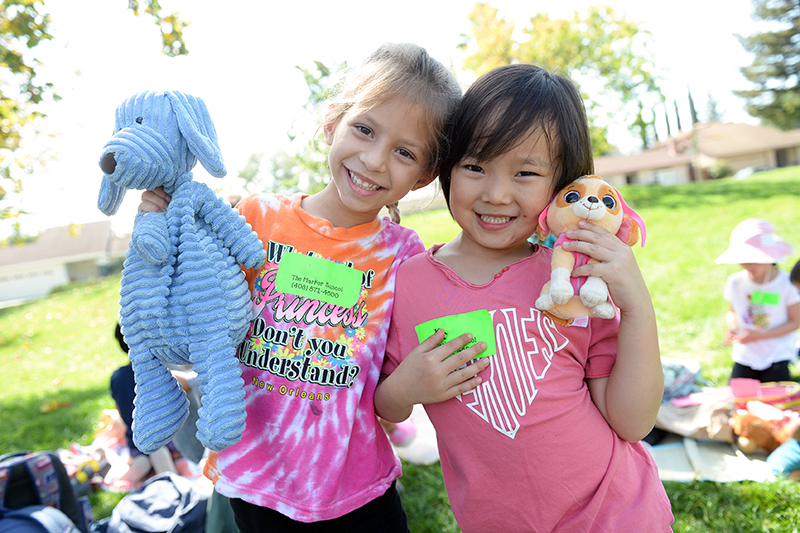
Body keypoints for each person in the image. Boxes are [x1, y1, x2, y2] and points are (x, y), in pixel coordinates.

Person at [139, 43, 473, 532]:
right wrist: (160, 242)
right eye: (364, 129)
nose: (377, 160)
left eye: (405, 152)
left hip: (360, 496)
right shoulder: (253, 219)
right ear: (332, 122)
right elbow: (191, 332)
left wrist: (413, 384)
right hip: (256, 487)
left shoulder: (405, 257)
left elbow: (389, 399)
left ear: (424, 176)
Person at [374, 63, 674, 532]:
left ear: (564, 185)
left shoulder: (573, 276)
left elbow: (631, 422)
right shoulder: (409, 281)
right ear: (447, 167)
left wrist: (636, 305)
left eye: (526, 172)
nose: (496, 194)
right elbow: (387, 406)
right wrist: (406, 388)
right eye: (475, 167)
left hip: (618, 514)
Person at [716, 218, 800, 383]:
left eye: (754, 260)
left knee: (775, 393)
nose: (748, 265)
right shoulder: (735, 282)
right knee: (739, 396)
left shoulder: (787, 283)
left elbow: (796, 321)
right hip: (747, 351)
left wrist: (760, 335)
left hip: (777, 351)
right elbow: (732, 311)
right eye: (743, 260)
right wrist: (734, 328)